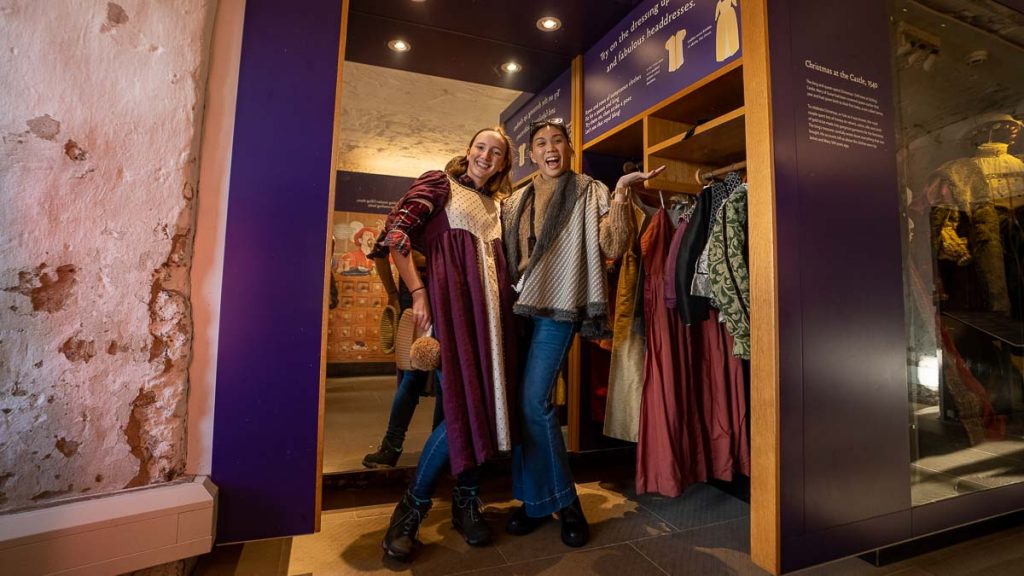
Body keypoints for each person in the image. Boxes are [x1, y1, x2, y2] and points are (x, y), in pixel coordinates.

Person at [500, 118, 663, 547]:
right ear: (530, 154)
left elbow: (613, 245)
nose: (550, 148)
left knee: (535, 402)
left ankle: (565, 501)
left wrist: (624, 190)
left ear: (570, 149)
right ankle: (535, 500)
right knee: (521, 404)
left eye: (557, 141)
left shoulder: (592, 190)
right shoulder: (514, 201)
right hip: (516, 309)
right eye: (541, 143)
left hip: (558, 307)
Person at [371, 127, 519, 562]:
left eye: (496, 152)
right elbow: (396, 238)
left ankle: (465, 502)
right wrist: (418, 293)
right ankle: (411, 510)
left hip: (497, 320)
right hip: (453, 314)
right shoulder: (440, 185)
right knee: (463, 406)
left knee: (487, 408)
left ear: (503, 163)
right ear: (468, 150)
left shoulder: (499, 205)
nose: (486, 156)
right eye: (480, 147)